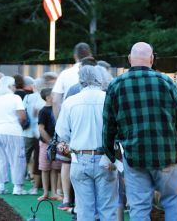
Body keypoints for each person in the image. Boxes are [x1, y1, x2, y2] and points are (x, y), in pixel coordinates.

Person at [102, 42, 177, 221]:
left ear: (129, 60)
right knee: (173, 201)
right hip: (167, 157)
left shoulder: (115, 86)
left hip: (135, 157)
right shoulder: (166, 82)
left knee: (139, 207)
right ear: (152, 59)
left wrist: (109, 153)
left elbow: (108, 125)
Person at [56, 65, 118, 220]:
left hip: (79, 158)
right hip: (106, 157)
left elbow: (63, 133)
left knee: (84, 210)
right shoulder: (109, 99)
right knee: (108, 209)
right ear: (99, 79)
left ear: (80, 80)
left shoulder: (70, 102)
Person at [52, 42, 92, 210]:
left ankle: (68, 198)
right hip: (93, 124)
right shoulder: (102, 72)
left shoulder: (66, 73)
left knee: (67, 161)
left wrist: (60, 123)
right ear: (90, 54)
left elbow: (55, 100)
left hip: (71, 122)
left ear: (75, 56)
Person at [0, 76, 27, 195]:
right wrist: (17, 124)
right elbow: (22, 116)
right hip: (12, 130)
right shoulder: (15, 98)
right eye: (14, 85)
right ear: (10, 86)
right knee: (17, 158)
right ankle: (17, 187)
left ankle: (0, 186)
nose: (15, 87)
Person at [37, 87, 62, 202]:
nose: (56, 97)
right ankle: (46, 192)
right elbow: (41, 128)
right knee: (45, 168)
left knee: (55, 168)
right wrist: (50, 142)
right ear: (48, 97)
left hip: (57, 144)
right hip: (46, 144)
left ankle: (54, 192)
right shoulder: (43, 111)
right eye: (53, 95)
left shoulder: (58, 109)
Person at [23, 77, 46, 195]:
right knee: (38, 158)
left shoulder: (27, 98)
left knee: (26, 157)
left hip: (27, 131)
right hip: (41, 132)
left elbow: (24, 112)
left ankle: (22, 179)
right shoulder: (45, 98)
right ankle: (38, 183)